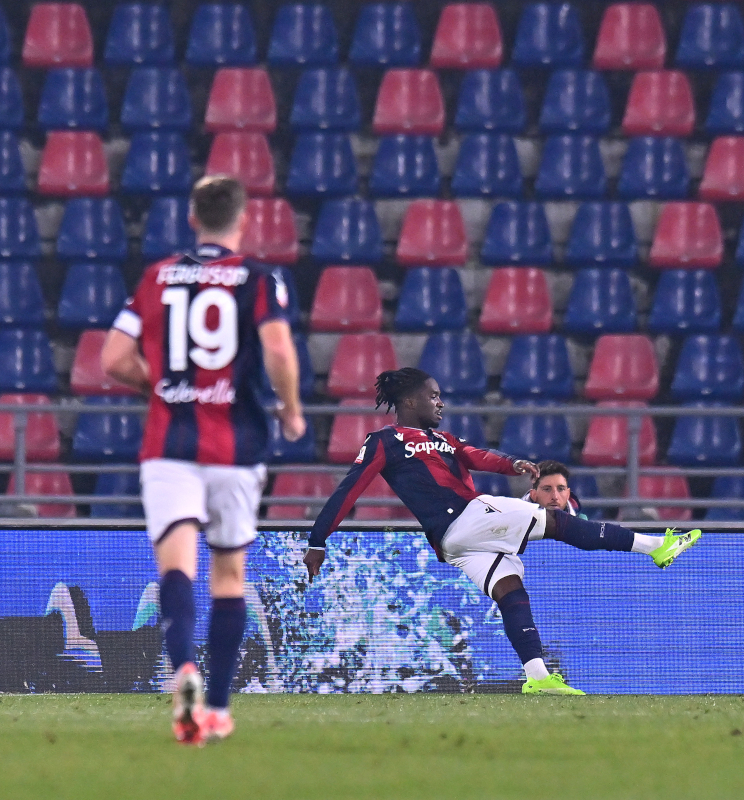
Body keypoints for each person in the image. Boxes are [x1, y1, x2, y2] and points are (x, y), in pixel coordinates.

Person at [303, 368, 701, 694]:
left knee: (511, 592)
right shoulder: (385, 441)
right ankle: (655, 547)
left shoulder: (443, 439)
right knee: (557, 520)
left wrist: (512, 463)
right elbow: (348, 489)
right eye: (433, 395)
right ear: (409, 401)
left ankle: (538, 677)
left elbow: (477, 456)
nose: (440, 402)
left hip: (458, 541)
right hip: (465, 518)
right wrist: (318, 540)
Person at [100, 176, 305, 745]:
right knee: (229, 577)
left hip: (170, 446)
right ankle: (217, 707)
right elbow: (279, 349)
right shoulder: (259, 278)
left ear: (193, 217)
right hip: (236, 446)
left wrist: (164, 389)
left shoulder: (158, 276)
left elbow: (113, 358)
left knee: (175, 569)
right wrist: (290, 410)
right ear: (243, 222)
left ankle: (183, 669)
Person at [520, 460, 586, 518]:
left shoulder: (581, 525)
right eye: (547, 489)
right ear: (533, 495)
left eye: (561, 489)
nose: (555, 497)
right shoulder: (512, 523)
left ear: (568, 494)